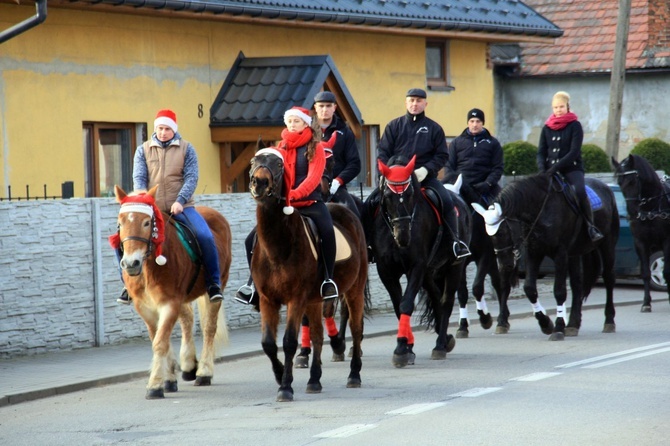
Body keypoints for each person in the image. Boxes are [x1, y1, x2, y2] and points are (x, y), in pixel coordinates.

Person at [116, 109, 223, 304]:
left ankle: (213, 283)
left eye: (167, 129)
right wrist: (144, 201)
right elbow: (139, 178)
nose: (163, 132)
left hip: (181, 207)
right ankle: (127, 284)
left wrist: (180, 201)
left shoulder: (187, 149)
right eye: (159, 128)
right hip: (151, 208)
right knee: (120, 239)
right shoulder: (143, 150)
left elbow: (191, 178)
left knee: (205, 236)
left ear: (174, 129)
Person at [235, 106, 339, 305]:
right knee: (251, 240)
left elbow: (313, 178)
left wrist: (293, 194)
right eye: (289, 121)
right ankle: (253, 285)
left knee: (327, 231)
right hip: (284, 207)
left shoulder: (315, 147)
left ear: (305, 123)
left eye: (296, 121)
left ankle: (327, 279)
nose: (292, 124)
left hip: (309, 203)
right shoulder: (279, 148)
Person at [364, 88, 470, 259]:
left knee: (447, 201)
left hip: (424, 178)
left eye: (419, 101)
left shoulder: (434, 128)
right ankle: (368, 244)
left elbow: (442, 155)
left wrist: (426, 169)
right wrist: (385, 174)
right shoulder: (393, 126)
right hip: (395, 181)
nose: (415, 104)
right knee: (369, 204)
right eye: (411, 100)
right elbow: (382, 153)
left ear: (425, 104)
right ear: (406, 103)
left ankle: (455, 243)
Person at [537, 91, 603, 242]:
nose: (558, 110)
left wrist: (554, 169)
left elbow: (574, 152)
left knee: (579, 191)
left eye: (561, 106)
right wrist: (542, 170)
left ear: (567, 106)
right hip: (548, 171)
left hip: (571, 169)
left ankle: (590, 226)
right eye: (555, 107)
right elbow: (541, 152)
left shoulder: (575, 126)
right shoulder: (546, 128)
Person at [313, 91, 361, 214]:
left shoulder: (345, 132)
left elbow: (354, 164)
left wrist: (338, 181)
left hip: (336, 188)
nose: (325, 109)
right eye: (321, 106)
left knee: (355, 215)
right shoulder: (306, 131)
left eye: (328, 106)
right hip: (309, 187)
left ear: (335, 107)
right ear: (315, 108)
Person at [444, 108, 503, 206]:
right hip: (461, 187)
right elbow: (449, 166)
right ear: (468, 123)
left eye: (478, 121)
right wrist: (455, 182)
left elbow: (498, 168)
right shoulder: (456, 142)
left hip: (485, 187)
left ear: (482, 123)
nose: (475, 124)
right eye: (472, 121)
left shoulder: (493, 143)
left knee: (502, 208)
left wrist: (488, 183)